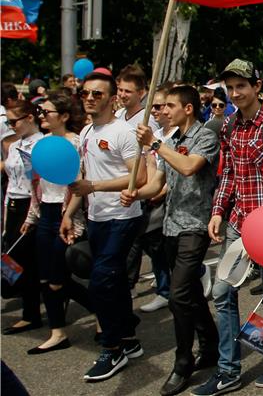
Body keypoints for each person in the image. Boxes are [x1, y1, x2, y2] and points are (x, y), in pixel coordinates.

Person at [192, 59, 263, 396]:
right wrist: (218, 210)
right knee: (222, 292)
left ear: (257, 86)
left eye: (241, 86)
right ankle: (228, 370)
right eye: (230, 88)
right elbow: (230, 174)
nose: (235, 94)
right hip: (238, 224)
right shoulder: (228, 125)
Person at [121, 85, 220, 396]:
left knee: (177, 295)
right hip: (170, 226)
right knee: (188, 291)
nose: (162, 111)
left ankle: (183, 361)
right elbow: (158, 185)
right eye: (160, 107)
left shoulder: (205, 136)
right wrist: (135, 193)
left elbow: (190, 167)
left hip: (195, 226)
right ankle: (211, 346)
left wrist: (154, 144)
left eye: (169, 106)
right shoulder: (170, 141)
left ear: (187, 108)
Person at [60, 71, 148, 381]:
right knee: (116, 282)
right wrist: (70, 213)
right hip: (96, 218)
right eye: (85, 93)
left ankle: (112, 348)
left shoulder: (124, 132)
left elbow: (139, 178)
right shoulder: (85, 132)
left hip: (122, 218)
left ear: (112, 100)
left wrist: (95, 187)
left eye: (97, 94)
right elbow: (82, 179)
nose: (89, 98)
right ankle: (129, 338)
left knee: (100, 281)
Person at [26, 94, 93, 354]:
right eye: (40, 112)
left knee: (59, 278)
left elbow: (79, 184)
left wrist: (68, 216)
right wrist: (31, 217)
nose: (42, 116)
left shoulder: (75, 143)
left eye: (47, 112)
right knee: (46, 278)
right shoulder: (40, 145)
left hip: (68, 214)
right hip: (46, 213)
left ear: (63, 116)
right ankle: (57, 332)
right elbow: (37, 185)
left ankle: (104, 313)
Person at [128, 84, 173, 313]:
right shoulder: (153, 135)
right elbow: (151, 167)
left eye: (158, 106)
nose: (154, 111)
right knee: (153, 245)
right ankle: (167, 287)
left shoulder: (175, 135)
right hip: (151, 197)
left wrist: (158, 190)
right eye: (151, 107)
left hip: (168, 201)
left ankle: (166, 290)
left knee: (157, 245)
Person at [1, 100, 44, 335]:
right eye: (8, 122)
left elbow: (35, 184)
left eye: (14, 121)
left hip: (31, 205)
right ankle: (31, 311)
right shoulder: (14, 145)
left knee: (25, 260)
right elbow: (11, 181)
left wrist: (31, 216)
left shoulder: (41, 144)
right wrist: (7, 212)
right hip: (14, 204)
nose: (11, 126)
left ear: (29, 117)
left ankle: (32, 314)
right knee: (16, 260)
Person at [115, 65, 159, 131]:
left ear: (140, 93)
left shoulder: (148, 120)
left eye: (128, 91)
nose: (122, 95)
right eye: (120, 90)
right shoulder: (118, 114)